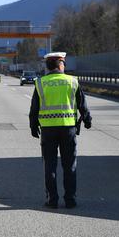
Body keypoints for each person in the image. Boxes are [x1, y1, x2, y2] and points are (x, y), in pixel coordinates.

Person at [29, 52, 92, 209]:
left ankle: (52, 200)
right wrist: (87, 119)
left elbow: (34, 108)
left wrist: (32, 126)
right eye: (64, 63)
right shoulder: (72, 81)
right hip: (68, 129)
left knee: (49, 165)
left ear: (48, 66)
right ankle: (70, 199)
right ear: (60, 64)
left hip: (48, 130)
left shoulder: (40, 83)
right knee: (69, 165)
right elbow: (82, 104)